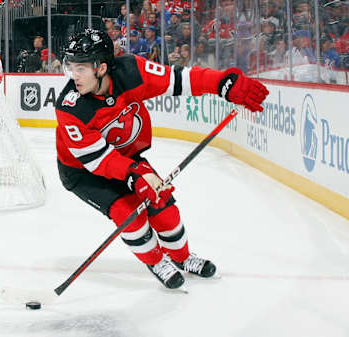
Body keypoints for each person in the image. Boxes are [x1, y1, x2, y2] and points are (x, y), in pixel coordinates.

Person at [55, 29, 268, 290]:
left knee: (164, 206)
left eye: (80, 68)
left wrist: (222, 83)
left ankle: (182, 258)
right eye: (71, 68)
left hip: (124, 156)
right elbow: (97, 160)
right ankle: (156, 262)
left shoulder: (131, 71)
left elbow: (178, 80)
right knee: (129, 214)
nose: (73, 76)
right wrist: (136, 176)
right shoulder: (70, 107)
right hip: (84, 171)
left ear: (100, 67)